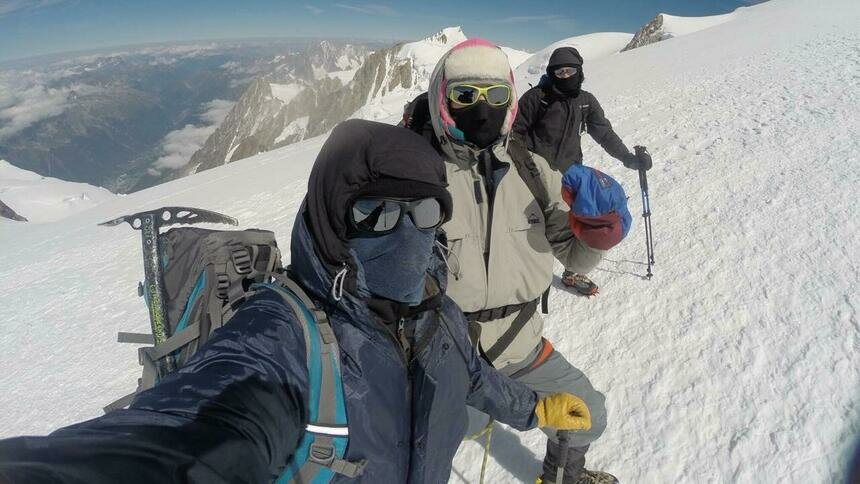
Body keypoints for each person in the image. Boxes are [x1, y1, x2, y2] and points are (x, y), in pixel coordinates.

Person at [0, 120, 591, 483]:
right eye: (376, 213)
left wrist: (534, 410)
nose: (407, 232)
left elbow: (471, 378)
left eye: (425, 210)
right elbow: (197, 430)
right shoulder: (283, 334)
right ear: (333, 223)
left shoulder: (439, 314)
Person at [415, 39, 616, 483]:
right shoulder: (416, 174)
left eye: (495, 96)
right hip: (441, 356)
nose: (481, 109)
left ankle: (564, 477)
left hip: (519, 346)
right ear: (441, 98)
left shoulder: (531, 170)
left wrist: (597, 233)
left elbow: (571, 251)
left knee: (588, 414)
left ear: (509, 99)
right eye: (465, 96)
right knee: (422, 444)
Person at [513, 46, 652, 293]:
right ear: (551, 73)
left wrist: (629, 159)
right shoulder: (537, 98)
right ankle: (527, 276)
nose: (565, 76)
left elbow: (604, 133)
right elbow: (515, 134)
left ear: (579, 71)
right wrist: (524, 165)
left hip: (570, 176)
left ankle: (572, 273)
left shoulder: (585, 102)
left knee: (577, 225)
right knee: (532, 225)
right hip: (534, 174)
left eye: (570, 71)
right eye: (559, 72)